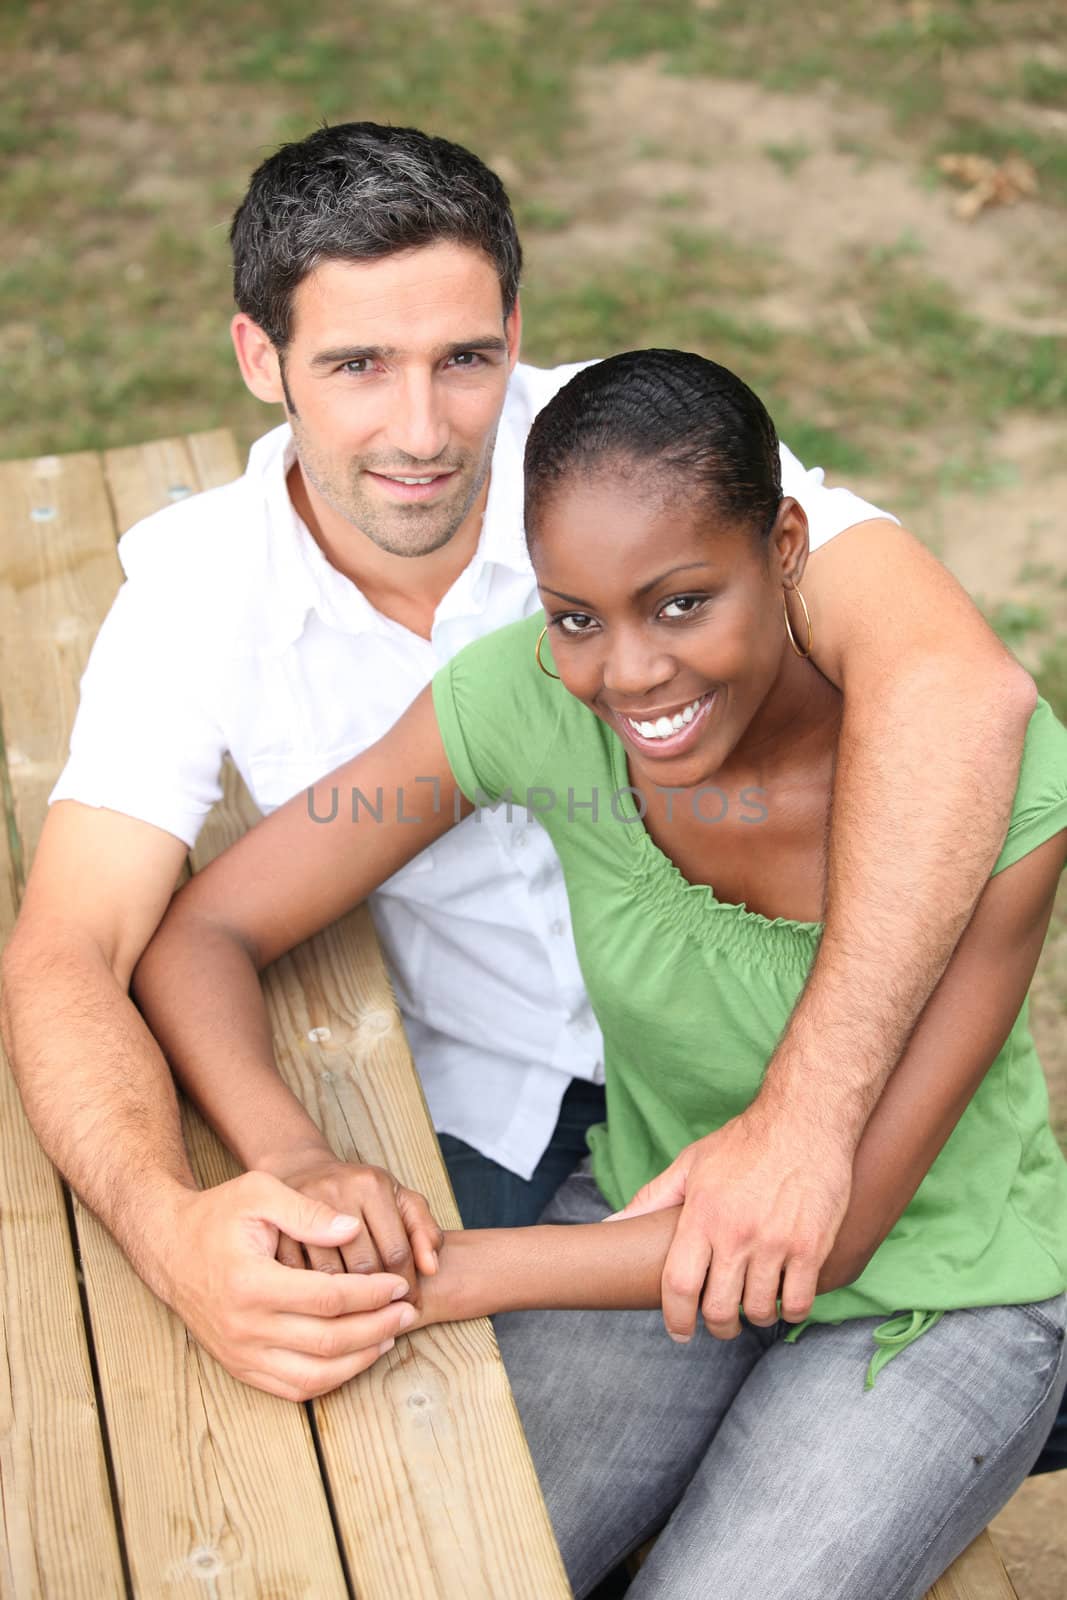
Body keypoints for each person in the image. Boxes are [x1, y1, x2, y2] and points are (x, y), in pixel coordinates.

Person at [0, 121, 1044, 1401]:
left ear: (514, 329)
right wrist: (191, 1215)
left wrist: (799, 1117)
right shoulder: (197, 595)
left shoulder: (633, 459)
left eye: (466, 358)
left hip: (761, 1072)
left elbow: (961, 686)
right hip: (478, 1097)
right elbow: (70, 950)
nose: (424, 428)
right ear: (257, 358)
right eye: (356, 366)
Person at [132, 350, 1067, 1597]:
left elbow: (825, 1230)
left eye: (682, 602)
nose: (627, 673)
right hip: (633, 1225)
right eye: (579, 616)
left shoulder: (982, 797)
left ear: (784, 545)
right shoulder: (532, 705)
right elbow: (206, 931)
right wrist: (294, 1160)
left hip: (934, 1296)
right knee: (431, 1567)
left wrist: (432, 1273)